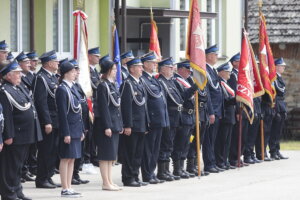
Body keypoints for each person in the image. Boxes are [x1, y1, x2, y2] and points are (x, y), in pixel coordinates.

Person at [0, 61, 42, 200]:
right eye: (17, 73)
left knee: (19, 166)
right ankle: (8, 193)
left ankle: (18, 190)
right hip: (15, 135)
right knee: (10, 167)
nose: (20, 75)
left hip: (25, 134)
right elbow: (6, 115)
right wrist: (8, 135)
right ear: (8, 75)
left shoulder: (18, 88)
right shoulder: (5, 90)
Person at [56, 61, 85, 198]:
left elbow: (79, 110)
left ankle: (70, 187)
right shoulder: (62, 89)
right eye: (73, 71)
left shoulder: (73, 87)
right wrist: (66, 133)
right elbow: (62, 113)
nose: (75, 74)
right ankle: (64, 188)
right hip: (68, 129)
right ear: (66, 73)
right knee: (65, 158)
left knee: (72, 158)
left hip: (76, 128)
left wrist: (81, 130)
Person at [33, 50, 61, 188]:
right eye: (56, 61)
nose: (58, 63)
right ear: (49, 63)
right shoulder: (41, 78)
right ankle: (42, 179)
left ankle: (48, 176)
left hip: (56, 120)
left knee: (52, 151)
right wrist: (47, 121)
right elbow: (41, 102)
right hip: (48, 121)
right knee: (45, 151)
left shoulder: (52, 77)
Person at [94, 59, 123, 190]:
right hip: (106, 124)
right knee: (105, 155)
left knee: (112, 156)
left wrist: (120, 124)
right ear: (108, 71)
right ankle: (105, 182)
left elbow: (117, 107)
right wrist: (107, 126)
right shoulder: (102, 85)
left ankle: (110, 180)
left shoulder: (113, 84)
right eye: (114, 69)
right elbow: (103, 108)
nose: (116, 71)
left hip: (114, 123)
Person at [140, 52, 168, 184]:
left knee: (155, 149)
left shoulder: (153, 79)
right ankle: (147, 174)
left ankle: (152, 172)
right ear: (145, 64)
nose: (155, 65)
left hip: (159, 120)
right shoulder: (143, 80)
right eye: (152, 63)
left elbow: (162, 100)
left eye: (155, 63)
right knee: (148, 149)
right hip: (152, 120)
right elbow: (145, 102)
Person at [120, 58, 149, 187]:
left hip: (141, 124)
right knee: (129, 153)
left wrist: (146, 124)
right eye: (139, 67)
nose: (142, 69)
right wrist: (127, 125)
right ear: (131, 69)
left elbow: (144, 106)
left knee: (138, 153)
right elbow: (126, 106)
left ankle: (135, 176)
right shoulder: (127, 84)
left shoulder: (139, 83)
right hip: (132, 125)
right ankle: (128, 178)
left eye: (142, 66)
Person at [156, 58, 182, 181]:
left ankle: (166, 170)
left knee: (169, 145)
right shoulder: (161, 82)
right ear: (163, 69)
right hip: (168, 117)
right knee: (165, 144)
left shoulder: (171, 82)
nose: (172, 69)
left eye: (172, 67)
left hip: (175, 117)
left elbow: (180, 99)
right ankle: (162, 172)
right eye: (170, 67)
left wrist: (194, 88)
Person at [172, 60, 198, 178]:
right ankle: (177, 169)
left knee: (187, 143)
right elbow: (183, 97)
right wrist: (194, 87)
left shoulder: (188, 80)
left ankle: (182, 168)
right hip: (183, 115)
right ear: (181, 69)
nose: (189, 72)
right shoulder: (176, 81)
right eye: (187, 70)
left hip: (191, 116)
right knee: (180, 143)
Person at [203, 44, 224, 173]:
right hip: (211, 111)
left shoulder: (213, 70)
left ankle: (213, 162)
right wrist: (211, 112)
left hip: (217, 110)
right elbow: (208, 94)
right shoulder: (205, 70)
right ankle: (209, 164)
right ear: (209, 56)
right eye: (215, 55)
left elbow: (218, 93)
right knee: (209, 140)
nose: (217, 57)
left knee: (214, 139)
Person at [214, 62, 236, 170]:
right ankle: (220, 161)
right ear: (221, 72)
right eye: (228, 71)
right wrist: (236, 99)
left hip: (230, 116)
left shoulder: (226, 83)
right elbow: (224, 101)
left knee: (227, 141)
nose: (230, 74)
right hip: (225, 116)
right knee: (221, 141)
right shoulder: (220, 83)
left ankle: (224, 160)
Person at [269, 58, 289, 160]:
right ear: (276, 66)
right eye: (282, 66)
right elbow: (279, 90)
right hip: (276, 104)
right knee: (274, 129)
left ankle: (277, 150)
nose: (283, 67)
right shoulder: (274, 77)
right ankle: (273, 151)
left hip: (281, 104)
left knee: (279, 130)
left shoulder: (279, 77)